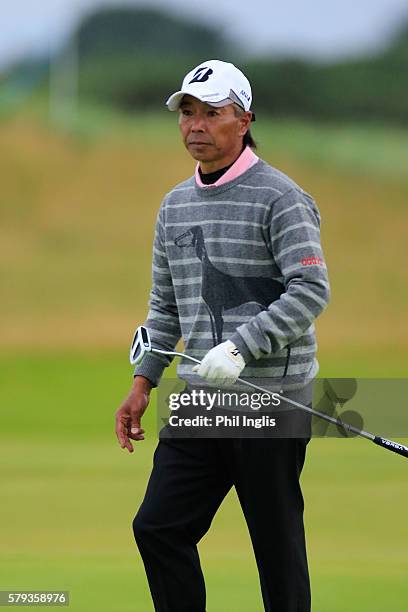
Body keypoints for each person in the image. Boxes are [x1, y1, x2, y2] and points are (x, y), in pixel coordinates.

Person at [115, 59, 330, 612]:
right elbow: (166, 304)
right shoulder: (174, 205)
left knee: (276, 552)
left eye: (212, 113)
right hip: (200, 401)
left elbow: (310, 291)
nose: (195, 125)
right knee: (158, 527)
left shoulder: (281, 197)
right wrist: (143, 381)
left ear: (244, 119)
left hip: (271, 402)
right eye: (187, 112)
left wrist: (240, 346)